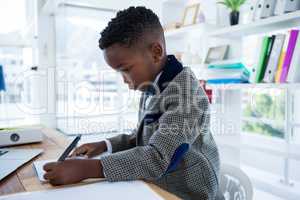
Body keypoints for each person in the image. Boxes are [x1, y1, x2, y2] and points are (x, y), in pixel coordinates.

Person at [43, 6, 220, 200]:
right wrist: (105, 145)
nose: (124, 79)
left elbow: (157, 158)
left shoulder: (187, 96)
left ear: (156, 52)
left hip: (189, 193)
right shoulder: (153, 84)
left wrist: (88, 168)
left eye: (125, 69)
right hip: (152, 186)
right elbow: (141, 137)